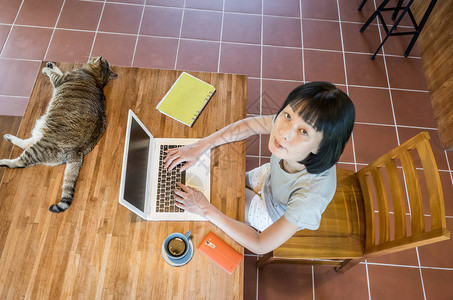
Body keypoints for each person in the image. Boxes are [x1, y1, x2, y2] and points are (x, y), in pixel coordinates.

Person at [164, 81, 355, 255]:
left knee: (220, 201)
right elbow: (248, 125)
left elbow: (260, 244)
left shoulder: (310, 198)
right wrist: (200, 146)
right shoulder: (287, 129)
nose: (283, 132)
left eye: (304, 131)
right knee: (221, 184)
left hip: (273, 211)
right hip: (270, 177)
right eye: (288, 115)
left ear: (319, 146)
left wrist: (205, 209)